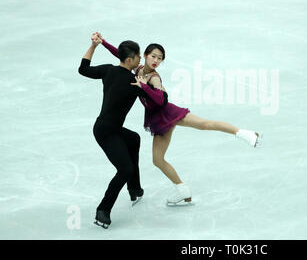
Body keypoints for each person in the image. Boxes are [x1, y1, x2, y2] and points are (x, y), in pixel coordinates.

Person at [92, 32, 262, 206]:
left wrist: (144, 86)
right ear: (143, 56)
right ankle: (183, 190)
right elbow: (122, 55)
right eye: (153, 56)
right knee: (157, 160)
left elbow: (160, 100)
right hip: (157, 120)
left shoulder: (154, 78)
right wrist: (103, 42)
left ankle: (245, 134)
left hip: (167, 113)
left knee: (204, 124)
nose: (156, 60)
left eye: (160, 58)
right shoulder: (138, 69)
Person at [78, 34, 169, 228]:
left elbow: (83, 69)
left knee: (134, 139)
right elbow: (161, 101)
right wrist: (150, 88)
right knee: (125, 169)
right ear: (130, 60)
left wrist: (95, 46)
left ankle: (134, 188)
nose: (140, 59)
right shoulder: (133, 82)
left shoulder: (109, 70)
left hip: (106, 126)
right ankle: (103, 209)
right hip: (106, 133)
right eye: (138, 56)